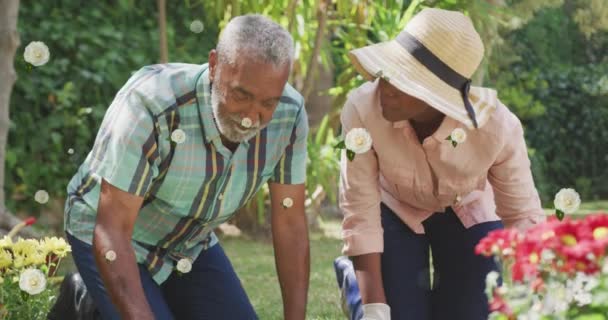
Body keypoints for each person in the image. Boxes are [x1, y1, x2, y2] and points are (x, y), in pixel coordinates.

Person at [63, 14, 309, 320]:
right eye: (241, 95)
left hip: (188, 242)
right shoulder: (151, 104)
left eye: (267, 103)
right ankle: (83, 301)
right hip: (110, 232)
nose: (252, 117)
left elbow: (290, 222)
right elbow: (111, 228)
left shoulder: (290, 113)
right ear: (214, 65)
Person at [335, 8, 546, 320]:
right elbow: (361, 214)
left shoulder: (498, 128)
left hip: (466, 210)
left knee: (476, 313)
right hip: (394, 209)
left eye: (400, 78)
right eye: (385, 72)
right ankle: (352, 276)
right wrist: (375, 307)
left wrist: (536, 296)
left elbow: (522, 215)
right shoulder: (362, 109)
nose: (384, 87)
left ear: (437, 95)